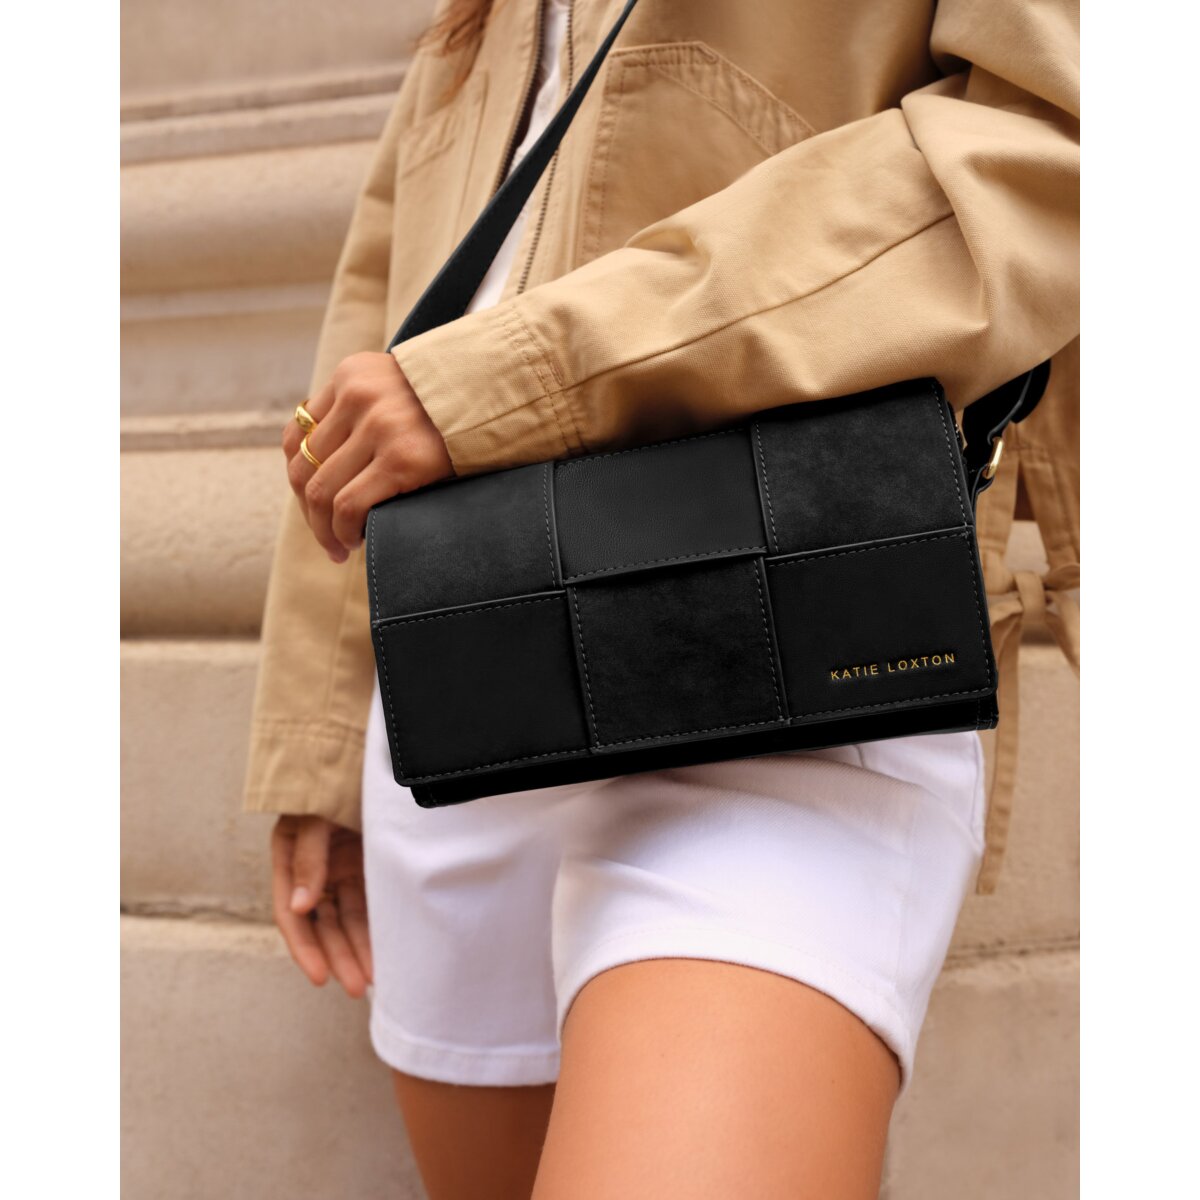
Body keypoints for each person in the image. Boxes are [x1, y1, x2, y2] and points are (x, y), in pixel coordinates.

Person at [244, 1, 1079, 1196]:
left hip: (785, 645)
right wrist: (326, 739)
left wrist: (519, 379)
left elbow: (1057, 144)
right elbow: (395, 276)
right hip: (463, 679)